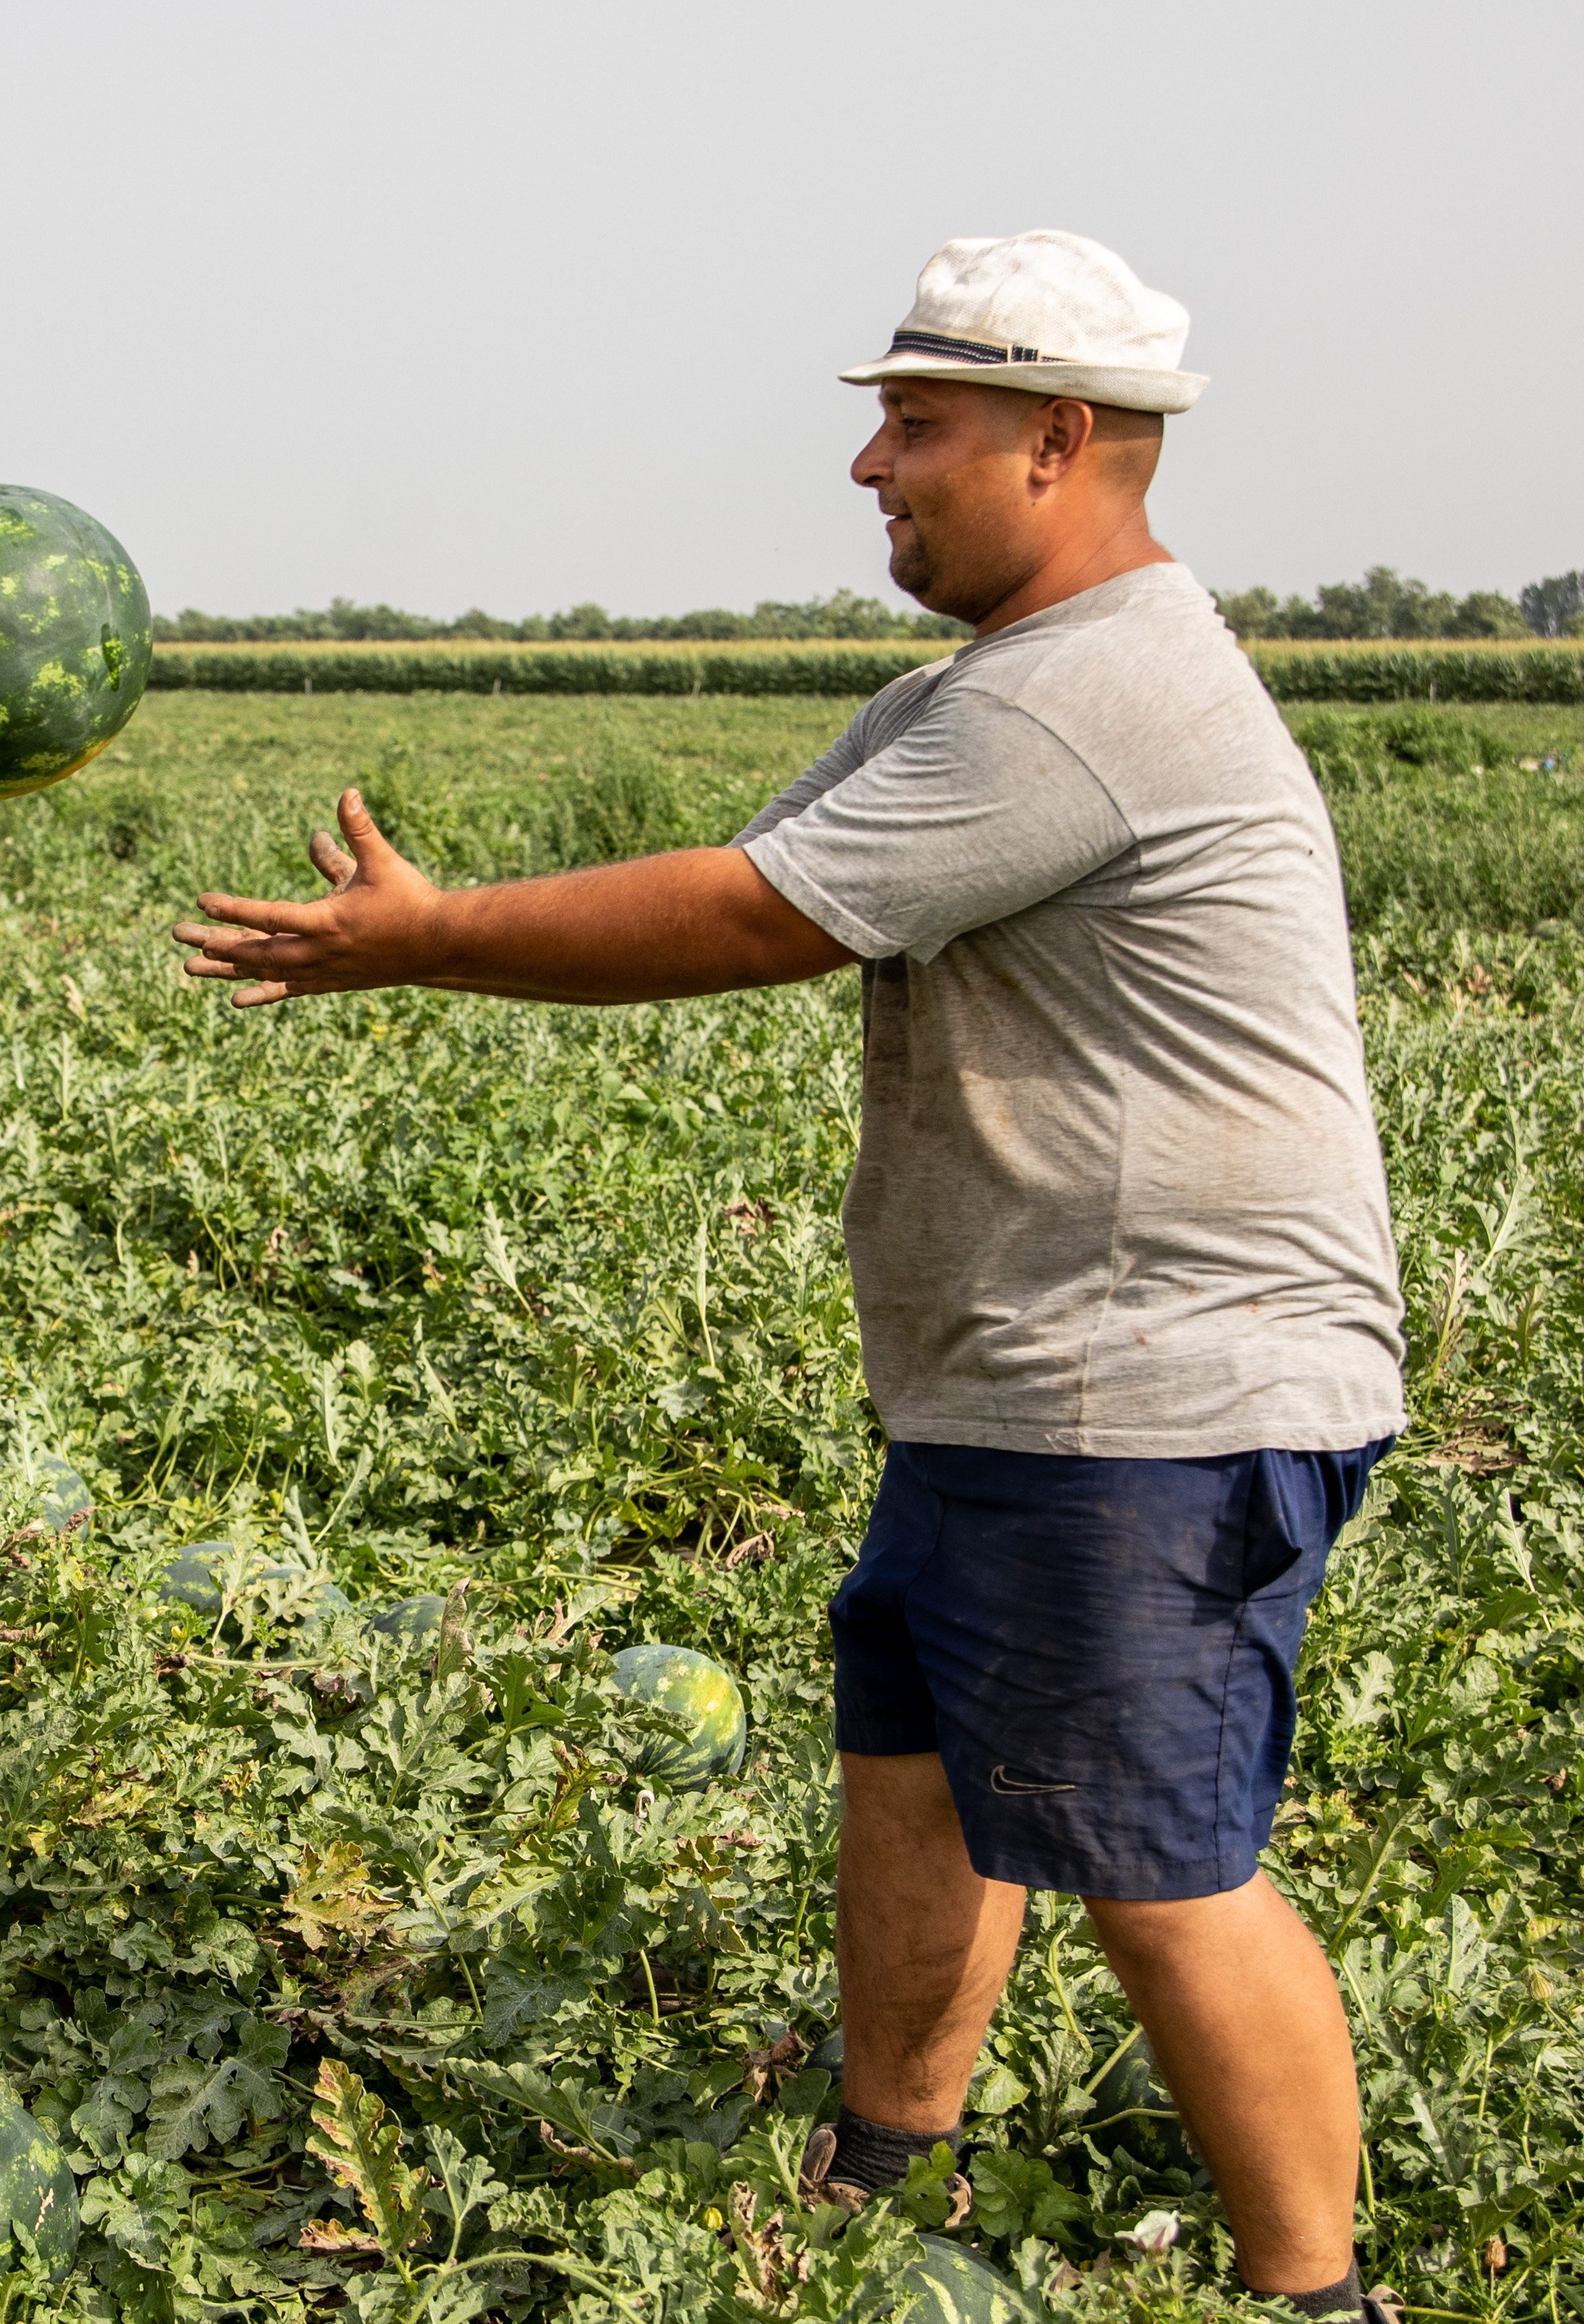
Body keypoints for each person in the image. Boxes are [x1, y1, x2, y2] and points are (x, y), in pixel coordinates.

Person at [170, 231, 1404, 2320]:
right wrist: (461, 919)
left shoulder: (1091, 699)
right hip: (1021, 1378)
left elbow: (757, 916)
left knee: (1159, 1865)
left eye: (915, 428)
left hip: (1153, 1386)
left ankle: (1316, 2296)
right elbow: (747, 872)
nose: (873, 470)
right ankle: (884, 2155)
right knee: (920, 1767)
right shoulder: (979, 691)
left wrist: (434, 933)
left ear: (1062, 442)